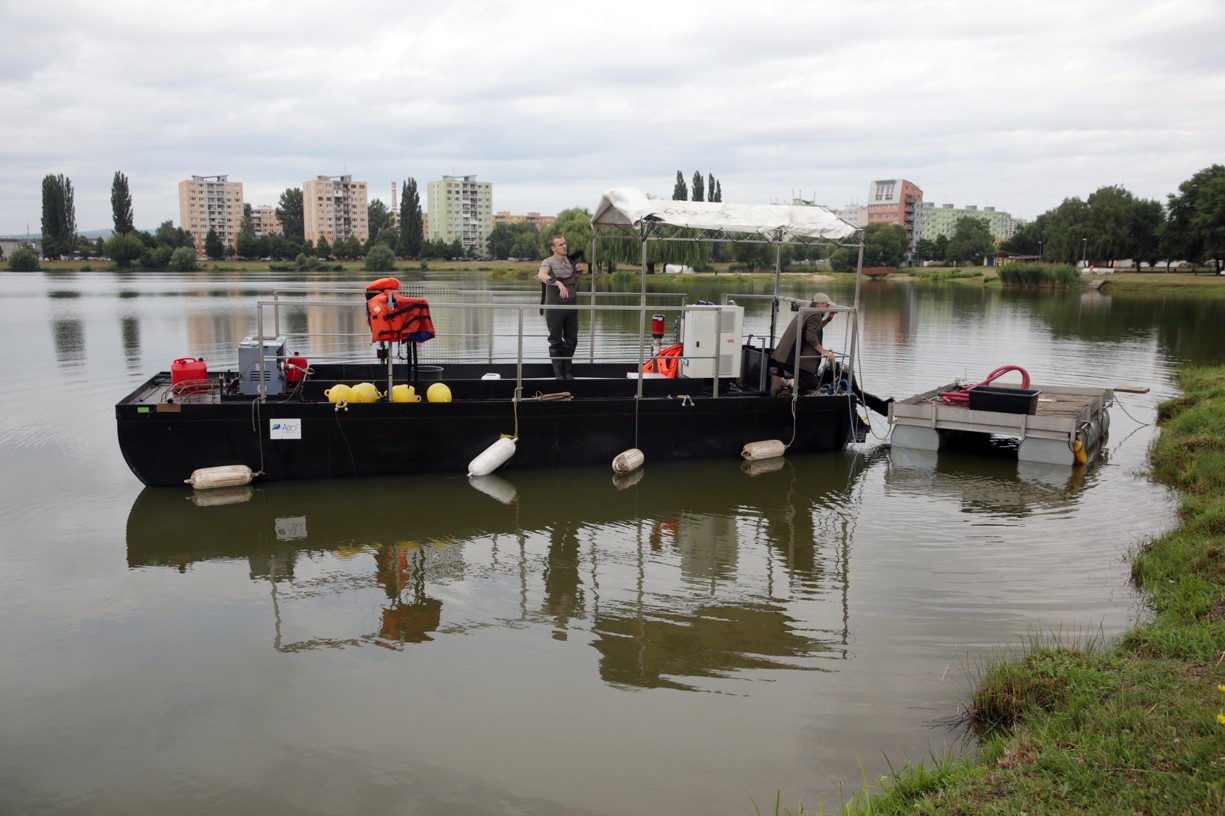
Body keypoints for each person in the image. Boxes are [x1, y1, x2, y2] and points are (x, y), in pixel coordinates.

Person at [769, 293, 891, 416]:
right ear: (821, 304)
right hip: (790, 359)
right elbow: (811, 337)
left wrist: (828, 319)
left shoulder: (807, 312)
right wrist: (825, 352)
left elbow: (814, 328)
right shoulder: (815, 314)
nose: (827, 308)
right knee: (812, 383)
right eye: (827, 305)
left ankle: (786, 382)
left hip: (781, 356)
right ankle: (784, 382)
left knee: (809, 379)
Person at [537, 235, 584, 379]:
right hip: (555, 307)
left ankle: (566, 372)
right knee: (556, 341)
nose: (565, 246)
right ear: (553, 248)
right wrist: (557, 283)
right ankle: (559, 375)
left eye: (565, 243)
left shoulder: (571, 262)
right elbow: (541, 275)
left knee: (572, 340)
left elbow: (573, 286)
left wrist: (580, 274)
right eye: (561, 244)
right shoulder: (548, 262)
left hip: (571, 306)